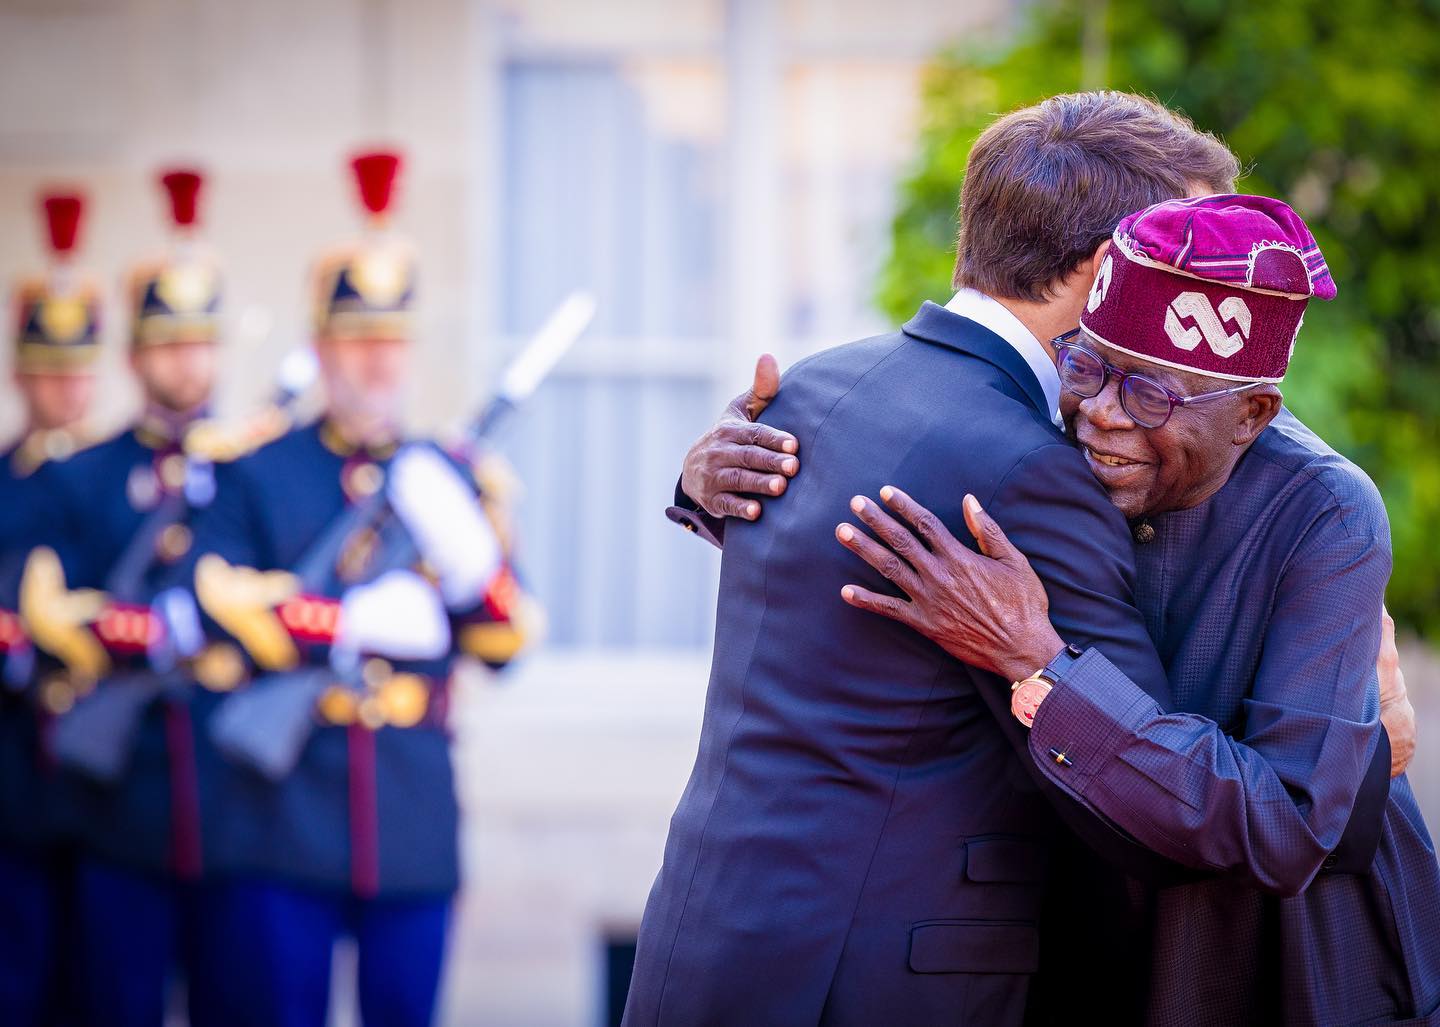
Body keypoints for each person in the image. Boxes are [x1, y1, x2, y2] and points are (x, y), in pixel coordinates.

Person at [628, 95, 1403, 1026]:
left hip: (706, 945)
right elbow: (1144, 817)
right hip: (880, 976)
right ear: (1106, 267)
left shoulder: (814, 387)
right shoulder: (1032, 463)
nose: (1213, 254)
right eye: (1186, 231)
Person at [826, 194, 1440, 1023]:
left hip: (1288, 959)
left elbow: (1288, 826)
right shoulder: (1055, 443)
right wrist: (723, 464)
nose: (1102, 413)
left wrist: (1038, 665)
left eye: (1151, 394)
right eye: (1087, 367)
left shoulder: (1327, 513)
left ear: (1252, 414)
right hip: (1092, 935)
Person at [171, 150, 532, 1026]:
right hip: (281, 814)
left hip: (408, 816)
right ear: (322, 348)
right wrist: (352, 619)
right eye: (358, 340)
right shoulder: (257, 472)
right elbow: (205, 607)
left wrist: (468, 557)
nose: (379, 363)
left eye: (393, 340)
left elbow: (504, 640)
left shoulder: (452, 478)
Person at [19, 167, 244, 1027]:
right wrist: (141, 634)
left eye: (200, 342)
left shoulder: (250, 467)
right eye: (168, 342)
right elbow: (43, 613)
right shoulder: (82, 477)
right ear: (136, 354)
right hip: (116, 804)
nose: (187, 360)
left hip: (233, 809)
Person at [0, 189, 102, 1027]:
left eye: (80, 366)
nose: (68, 386)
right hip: (12, 768)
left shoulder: (118, 480)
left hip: (108, 781)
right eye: (50, 366)